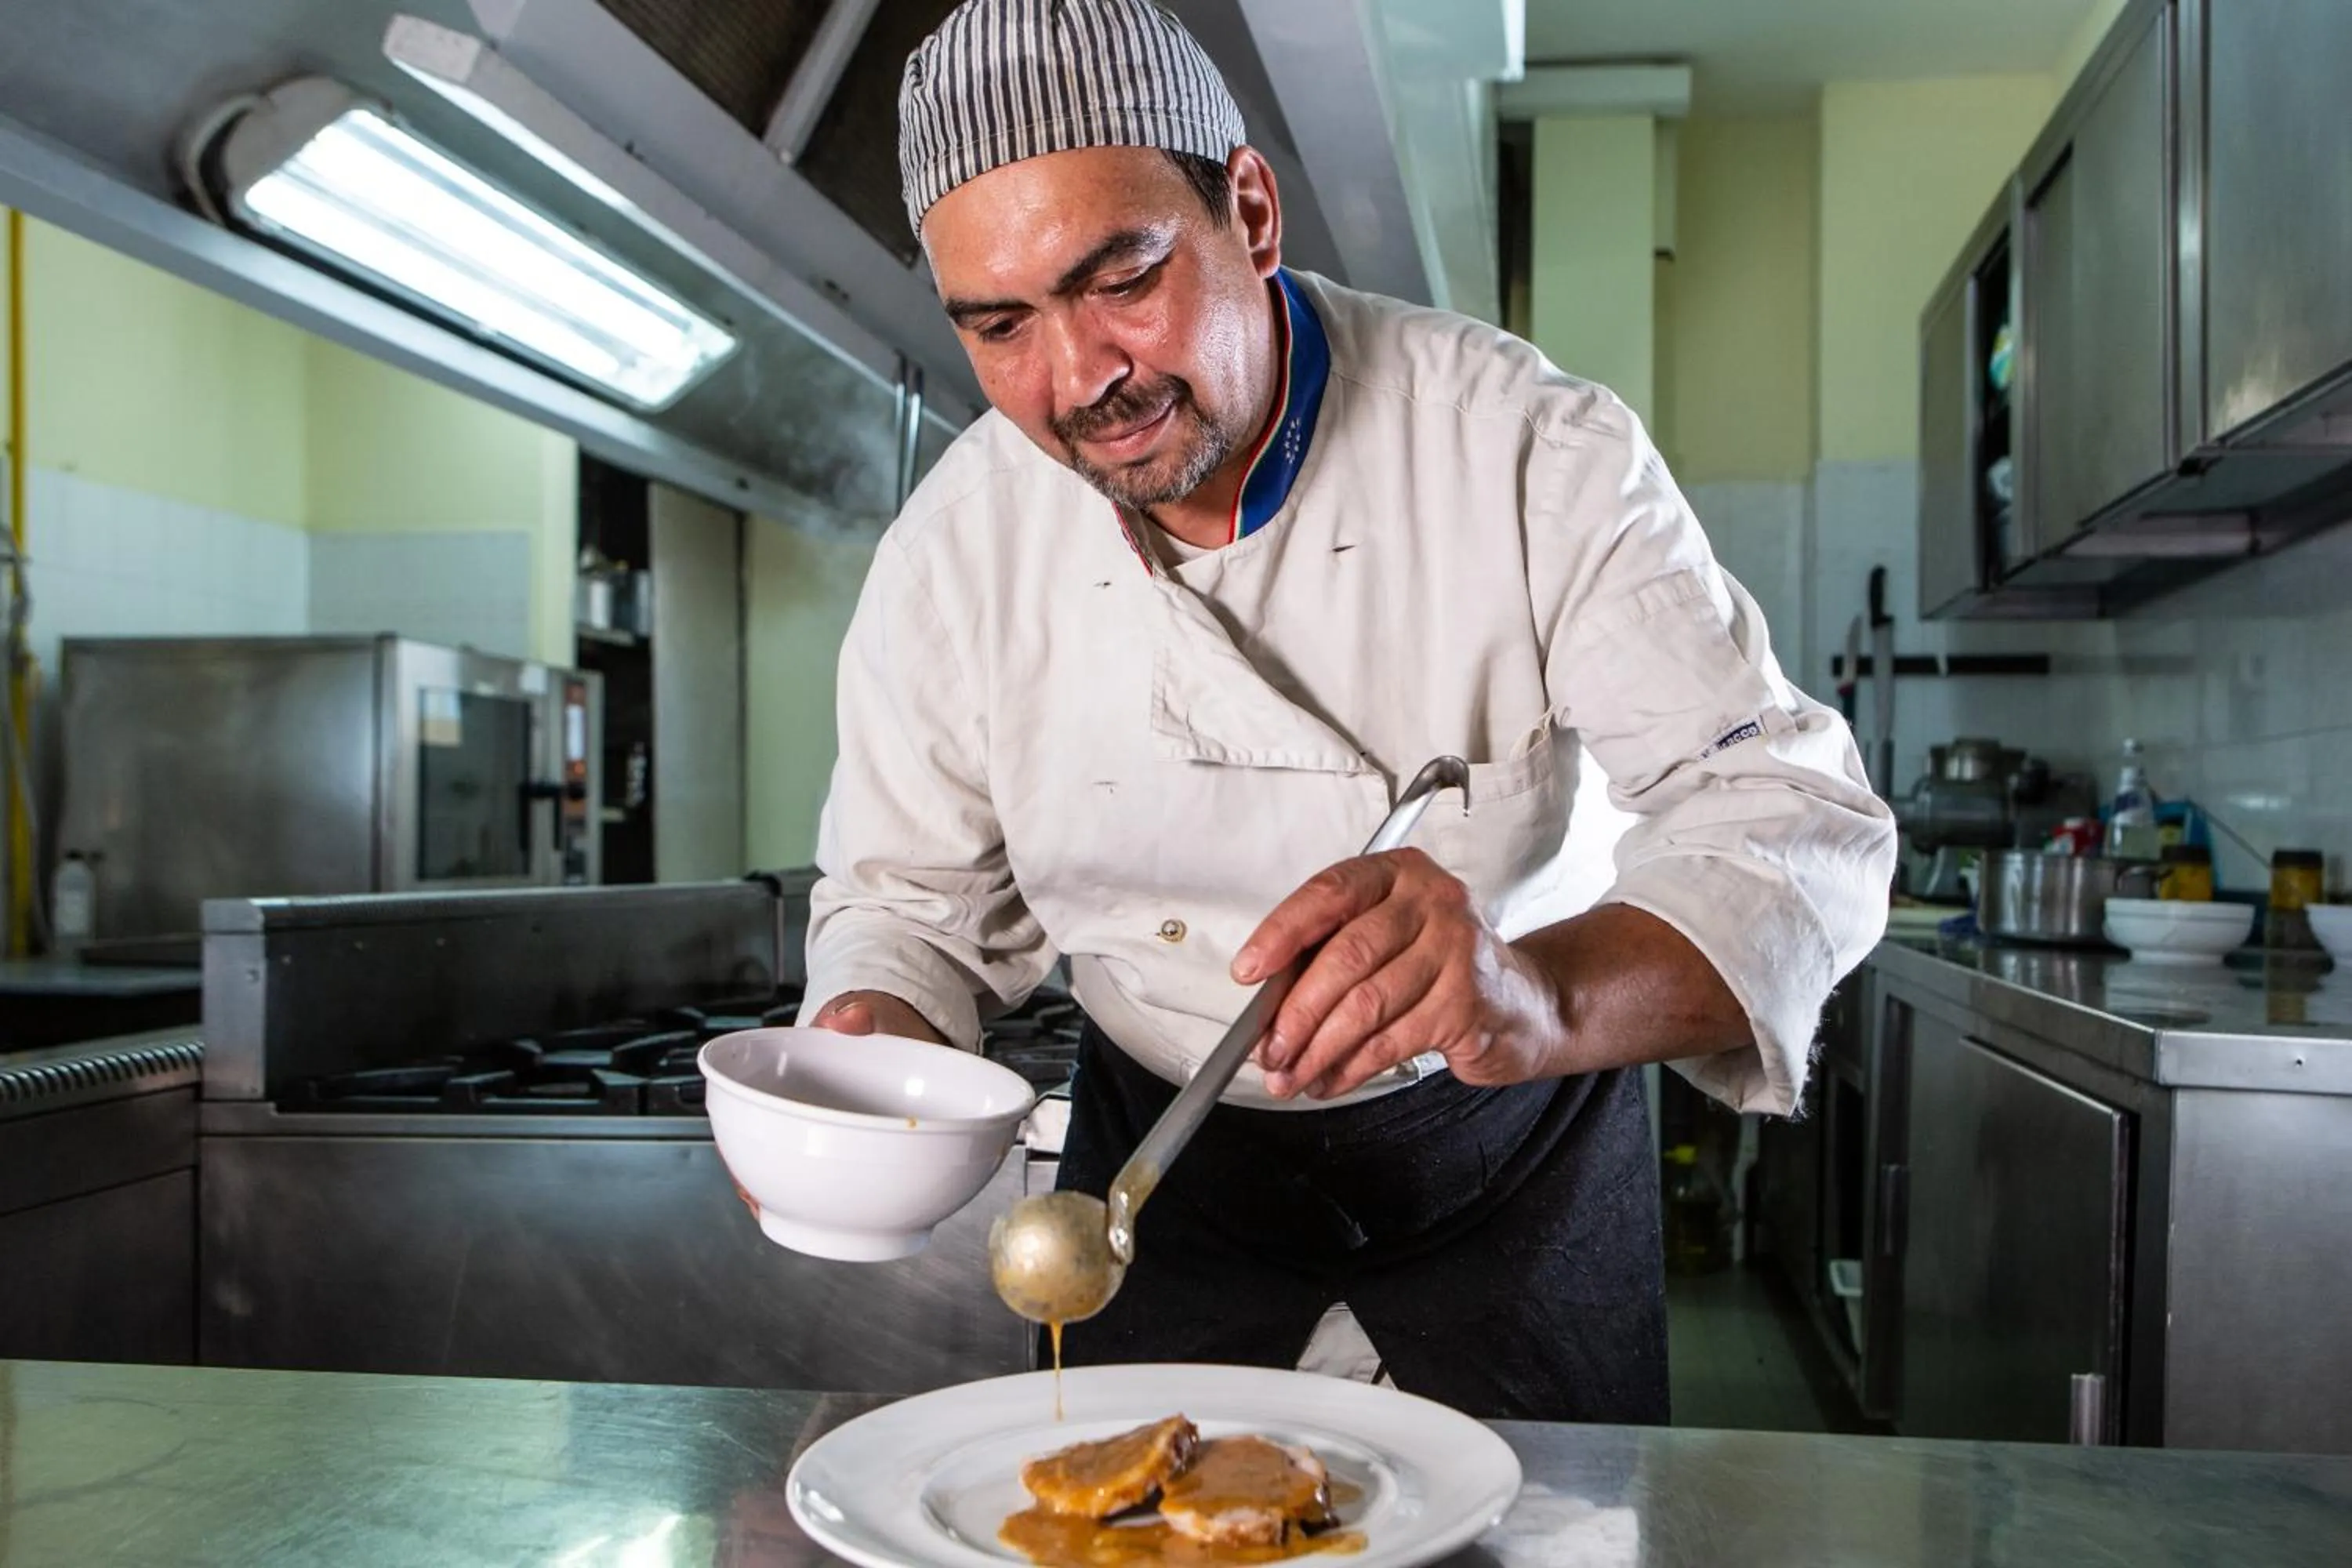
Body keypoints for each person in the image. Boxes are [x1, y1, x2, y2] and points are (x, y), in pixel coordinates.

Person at [794, 0, 1895, 1424]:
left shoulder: (1523, 448)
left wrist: (1534, 991)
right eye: (1001, 326)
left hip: (1509, 1166)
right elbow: (909, 910)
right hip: (1159, 1190)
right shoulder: (956, 554)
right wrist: (871, 1037)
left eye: (1122, 278)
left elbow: (1794, 822)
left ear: (1249, 207)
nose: (1079, 382)